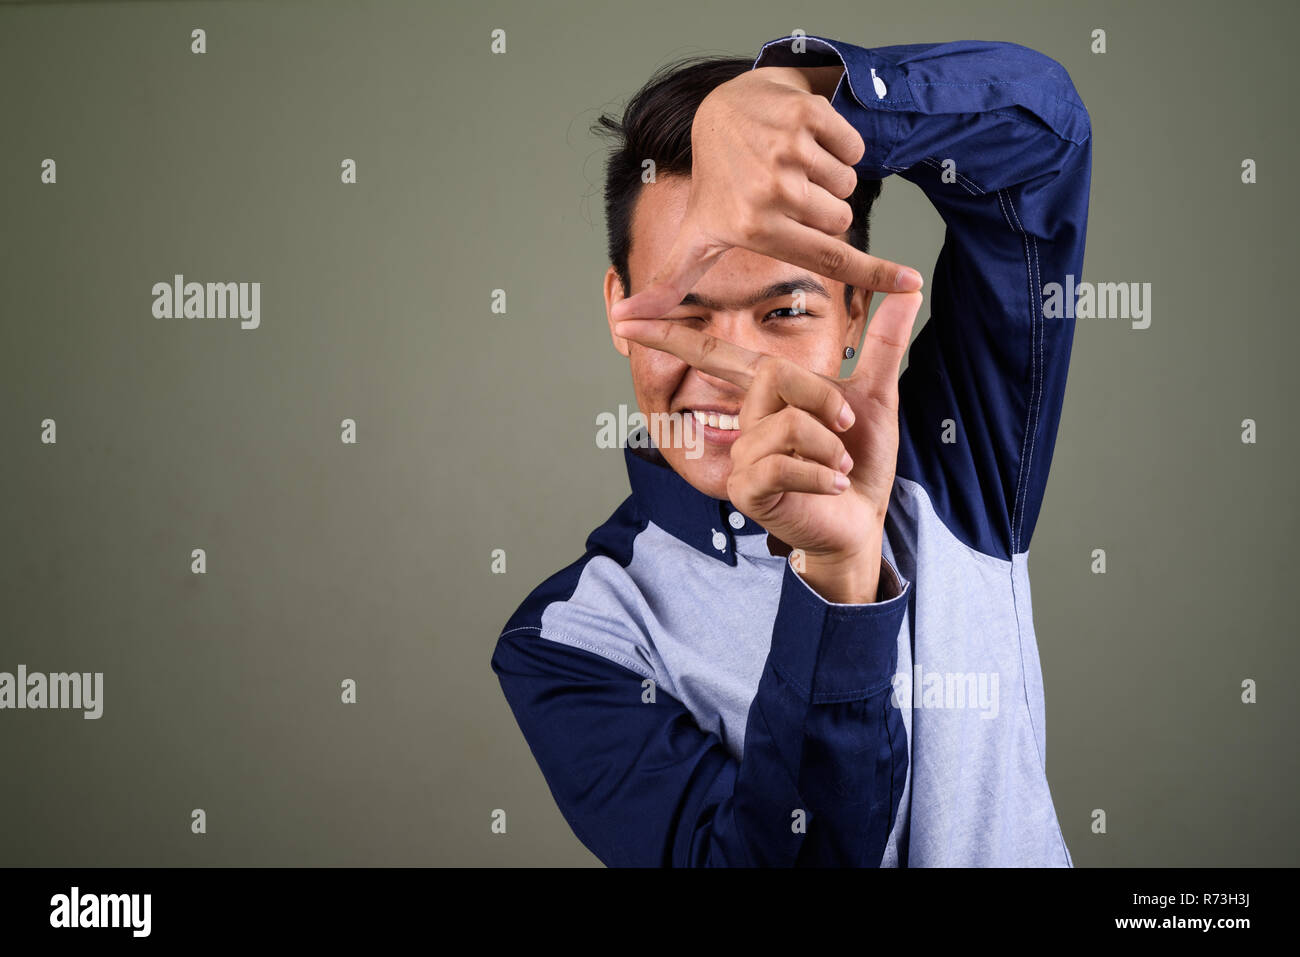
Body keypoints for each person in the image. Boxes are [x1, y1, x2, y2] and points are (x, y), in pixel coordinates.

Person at [491, 32, 1092, 866]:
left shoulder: (956, 452)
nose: (737, 375)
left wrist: (817, 96)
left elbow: (1044, 143)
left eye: (784, 313)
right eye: (684, 315)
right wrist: (838, 586)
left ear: (853, 311)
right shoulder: (574, 640)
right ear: (617, 305)